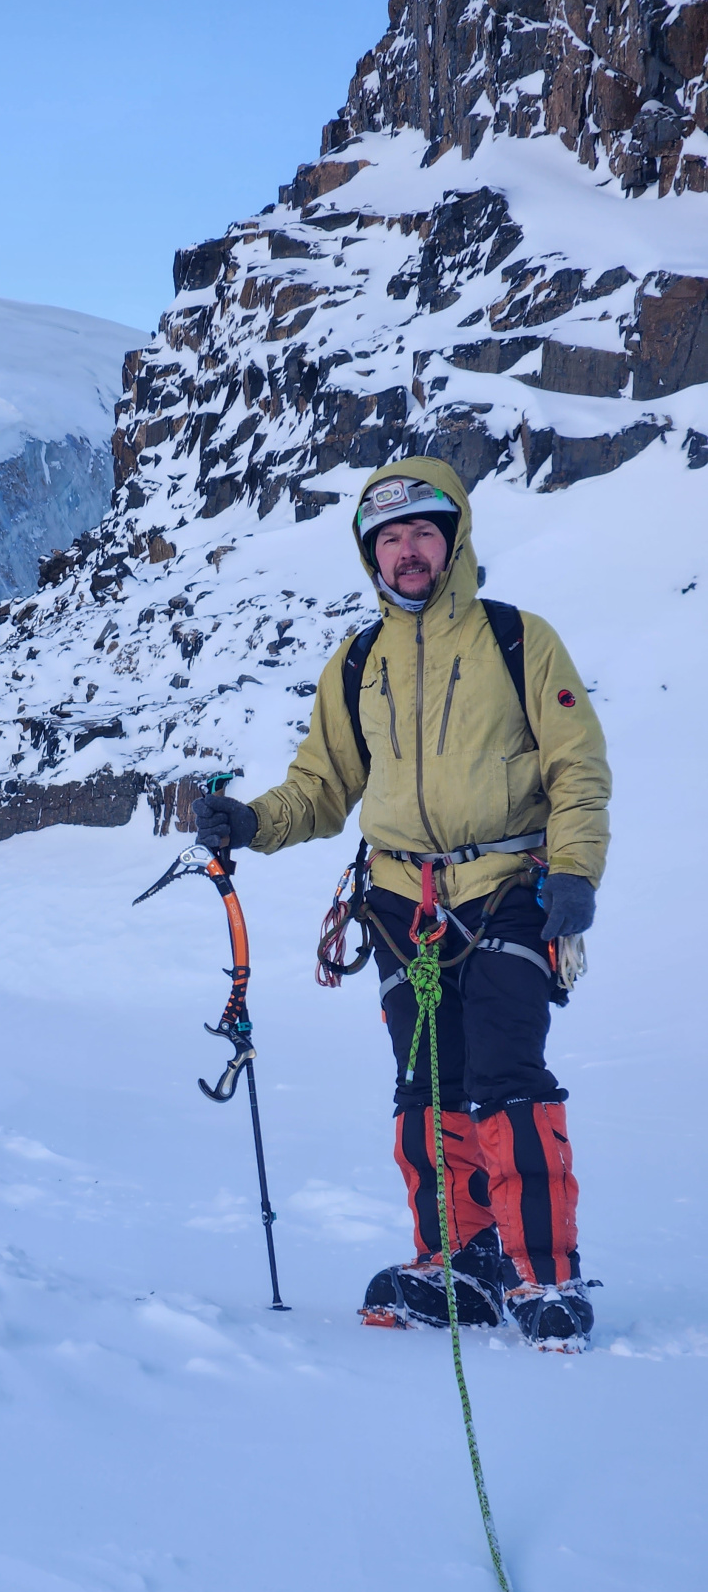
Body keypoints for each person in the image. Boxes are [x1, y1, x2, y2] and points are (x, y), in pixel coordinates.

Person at [193, 457, 610, 1351]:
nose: (408, 552)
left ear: (452, 539)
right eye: (389, 539)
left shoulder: (518, 640)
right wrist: (250, 821)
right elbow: (321, 786)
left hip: (507, 889)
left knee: (506, 1078)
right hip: (397, 901)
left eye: (423, 532)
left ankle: (544, 1275)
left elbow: (576, 764)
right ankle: (459, 1262)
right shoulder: (356, 663)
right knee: (427, 1089)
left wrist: (573, 872)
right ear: (370, 557)